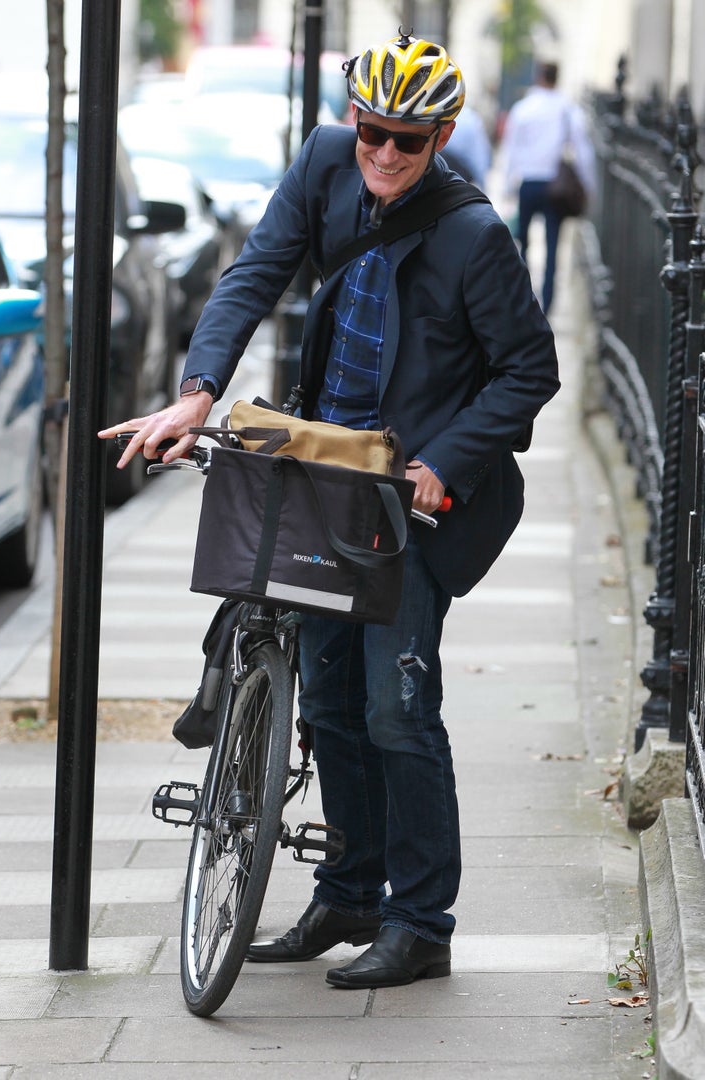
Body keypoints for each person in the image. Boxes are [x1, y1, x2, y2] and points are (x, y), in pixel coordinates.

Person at [99, 31, 560, 990]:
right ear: (351, 119)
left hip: (416, 497)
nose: (385, 154)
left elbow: (529, 371)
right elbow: (253, 275)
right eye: (371, 132)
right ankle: (350, 893)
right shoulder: (320, 164)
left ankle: (422, 924)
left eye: (409, 139)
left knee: (398, 710)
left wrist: (446, 460)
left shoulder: (476, 235)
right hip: (320, 473)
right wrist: (198, 390)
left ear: (443, 136)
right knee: (335, 704)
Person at [501, 60, 596, 315]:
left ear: (537, 77)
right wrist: (588, 185)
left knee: (523, 241)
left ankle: (523, 298)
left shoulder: (523, 108)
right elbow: (582, 150)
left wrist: (508, 186)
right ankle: (548, 302)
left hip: (528, 182)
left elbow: (511, 149)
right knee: (553, 245)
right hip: (555, 186)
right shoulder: (566, 109)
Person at [440, 103, 492, 189]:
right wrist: (482, 185)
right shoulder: (471, 118)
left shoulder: (437, 116)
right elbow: (480, 157)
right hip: (461, 180)